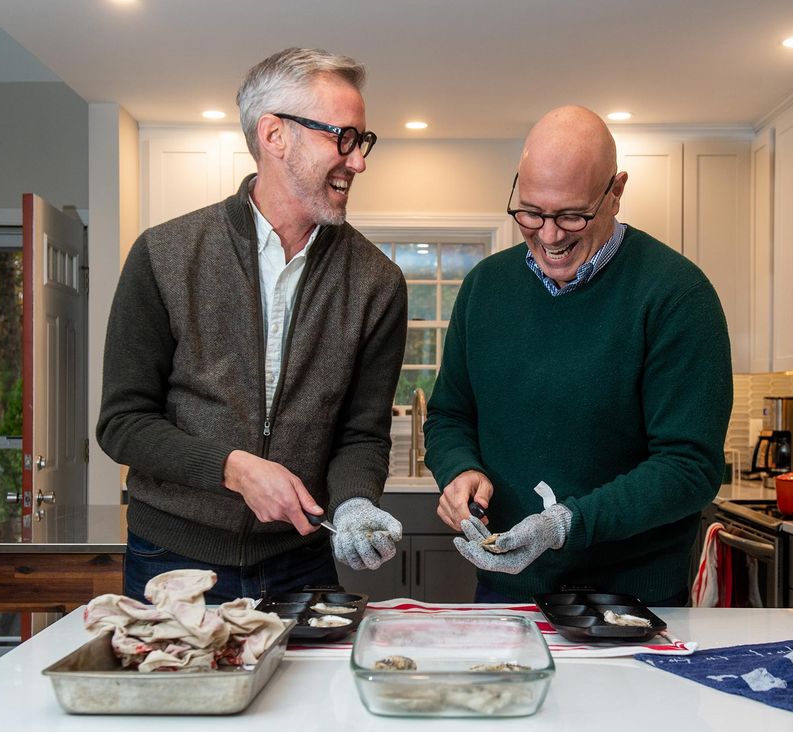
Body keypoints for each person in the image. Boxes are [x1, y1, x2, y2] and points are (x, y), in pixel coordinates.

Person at [97, 48, 408, 604]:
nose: (357, 161)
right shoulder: (166, 254)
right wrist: (231, 469)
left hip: (301, 562)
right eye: (343, 137)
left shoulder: (377, 281)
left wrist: (355, 502)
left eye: (362, 142)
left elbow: (362, 435)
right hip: (172, 561)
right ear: (274, 135)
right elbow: (123, 423)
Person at [424, 106, 732, 607]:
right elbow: (450, 415)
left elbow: (690, 467)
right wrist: (458, 469)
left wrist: (567, 524)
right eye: (531, 212)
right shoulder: (485, 288)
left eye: (572, 215)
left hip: (633, 600)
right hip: (507, 592)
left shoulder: (677, 295)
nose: (549, 236)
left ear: (616, 191)